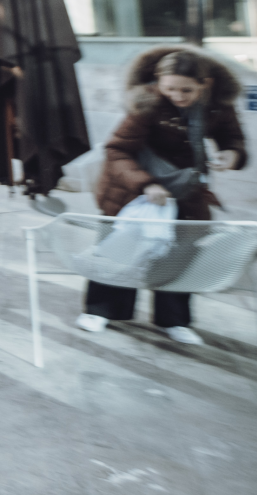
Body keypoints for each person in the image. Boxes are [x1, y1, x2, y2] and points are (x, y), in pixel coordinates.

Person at [79, 45, 247, 345]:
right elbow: (116, 150)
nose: (177, 96)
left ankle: (174, 320)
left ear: (205, 85)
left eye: (186, 90)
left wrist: (231, 154)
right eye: (169, 88)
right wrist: (146, 184)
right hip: (133, 189)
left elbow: (233, 138)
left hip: (186, 189)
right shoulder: (148, 101)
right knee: (121, 249)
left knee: (180, 251)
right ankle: (100, 310)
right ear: (158, 82)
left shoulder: (218, 104)